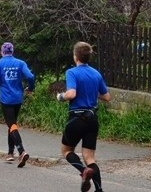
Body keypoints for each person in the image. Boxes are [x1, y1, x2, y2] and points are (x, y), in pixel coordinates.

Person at [56, 41, 111, 192]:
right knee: (89, 157)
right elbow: (107, 97)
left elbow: (71, 93)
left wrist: (61, 96)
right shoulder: (96, 73)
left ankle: (83, 171)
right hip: (92, 119)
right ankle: (99, 190)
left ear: (75, 57)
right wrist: (92, 93)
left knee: (67, 151)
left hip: (77, 118)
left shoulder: (72, 72)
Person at [0, 41, 35, 167]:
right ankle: (10, 153)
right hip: (17, 98)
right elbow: (30, 77)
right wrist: (30, 88)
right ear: (12, 51)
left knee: (11, 124)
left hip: (6, 99)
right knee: (12, 124)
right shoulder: (20, 63)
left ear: (2, 52)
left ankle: (21, 151)